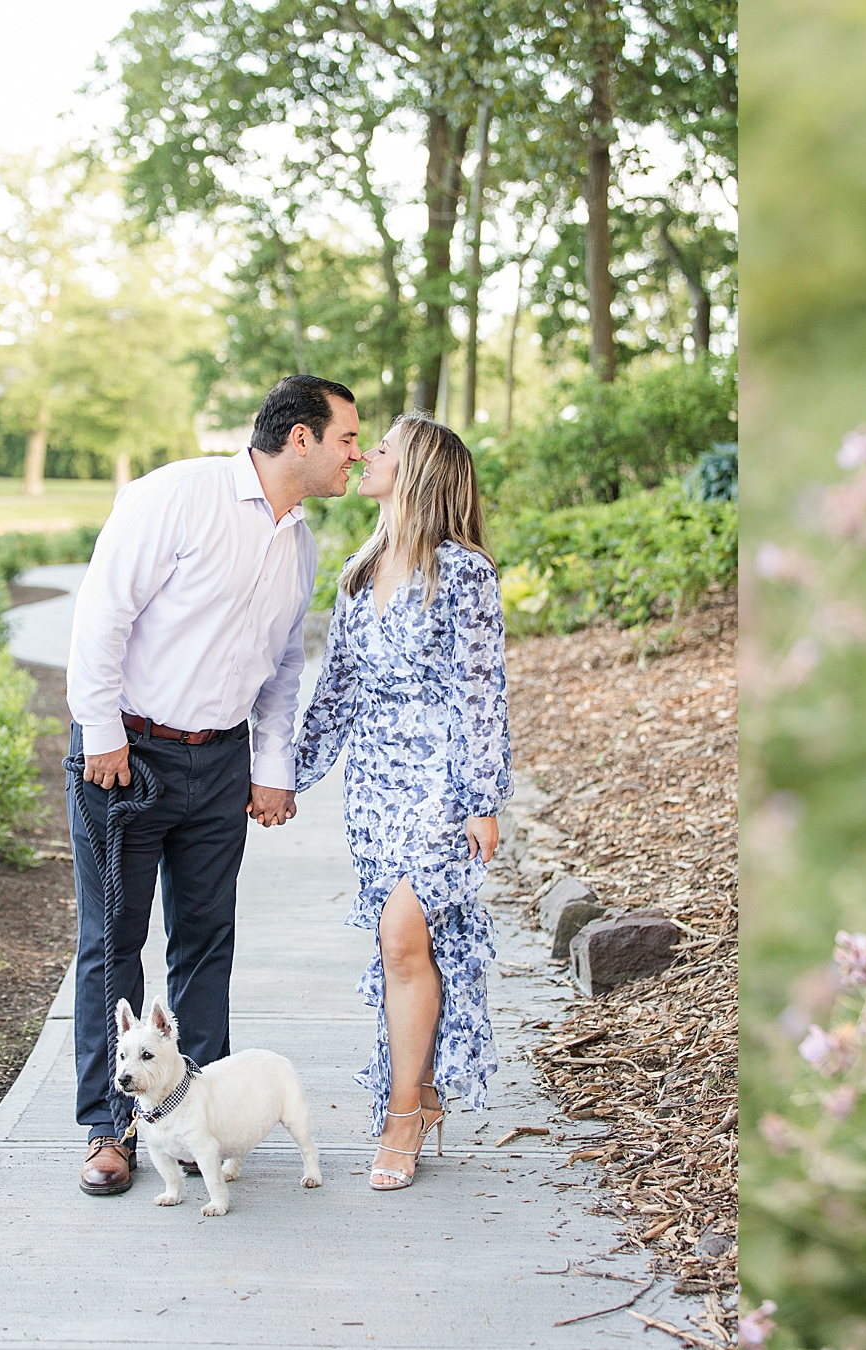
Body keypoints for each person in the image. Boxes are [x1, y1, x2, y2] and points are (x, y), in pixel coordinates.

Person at [66, 374, 361, 1196]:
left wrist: (271, 768)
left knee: (205, 944)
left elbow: (281, 666)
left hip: (221, 763)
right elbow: (102, 615)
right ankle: (111, 1129)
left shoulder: (298, 539)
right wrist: (100, 733)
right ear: (298, 438)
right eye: (346, 437)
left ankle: (197, 1127)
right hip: (127, 758)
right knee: (113, 948)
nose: (356, 453)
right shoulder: (176, 497)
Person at [293, 413, 511, 1190]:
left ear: (418, 472)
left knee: (401, 939)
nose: (368, 455)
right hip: (374, 789)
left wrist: (482, 799)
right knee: (406, 952)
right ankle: (419, 1092)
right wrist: (286, 776)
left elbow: (480, 694)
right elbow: (338, 690)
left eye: (383, 447)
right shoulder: (358, 574)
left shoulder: (465, 573)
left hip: (441, 788)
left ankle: (402, 1116)